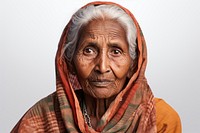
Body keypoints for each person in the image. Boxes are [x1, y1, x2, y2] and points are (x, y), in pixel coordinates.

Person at [11, 1, 181, 133]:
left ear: (133, 65)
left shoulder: (160, 118)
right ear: (70, 62)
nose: (102, 66)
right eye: (89, 50)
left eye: (116, 51)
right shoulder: (42, 118)